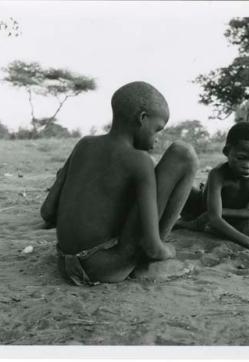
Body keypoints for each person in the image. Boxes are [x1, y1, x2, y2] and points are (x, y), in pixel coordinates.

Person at [40, 81, 198, 284]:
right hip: (104, 268)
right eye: (157, 130)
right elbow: (151, 247)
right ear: (142, 119)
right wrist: (168, 251)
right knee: (183, 153)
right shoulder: (140, 161)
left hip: (64, 263)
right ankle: (147, 260)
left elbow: (47, 212)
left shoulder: (84, 144)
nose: (157, 138)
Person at [176, 122, 249, 259]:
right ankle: (191, 224)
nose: (248, 166)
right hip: (200, 210)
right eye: (241, 158)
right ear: (227, 152)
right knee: (183, 187)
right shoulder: (217, 174)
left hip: (227, 218)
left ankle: (202, 227)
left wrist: (221, 212)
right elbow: (214, 217)